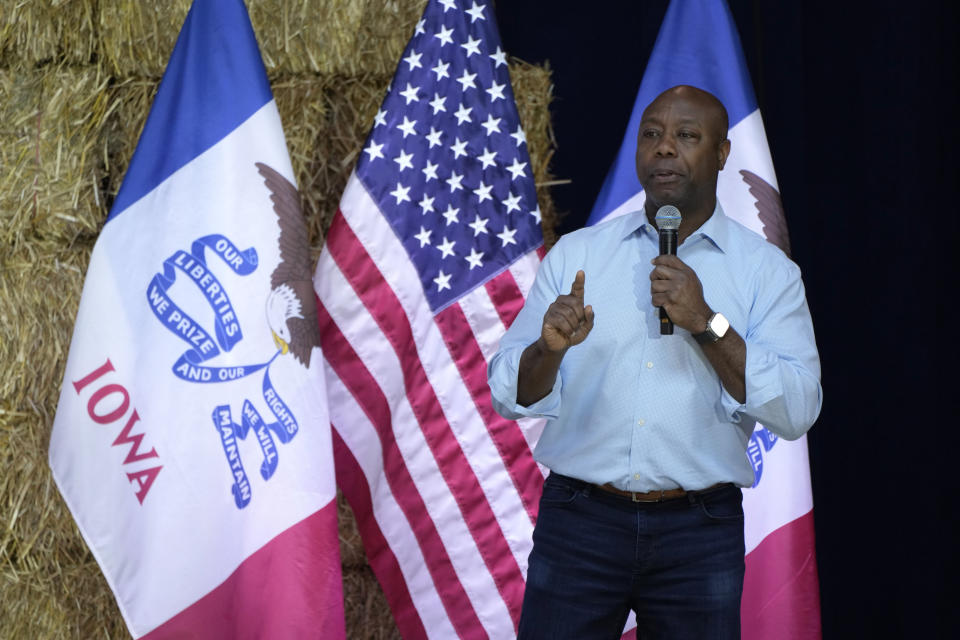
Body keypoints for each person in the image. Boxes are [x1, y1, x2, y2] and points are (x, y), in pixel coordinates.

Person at [487, 85, 822, 639]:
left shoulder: (767, 273)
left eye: (686, 136)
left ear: (720, 155)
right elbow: (508, 394)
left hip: (700, 530)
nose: (664, 149)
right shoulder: (578, 254)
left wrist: (707, 324)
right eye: (652, 135)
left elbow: (798, 408)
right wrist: (546, 350)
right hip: (580, 522)